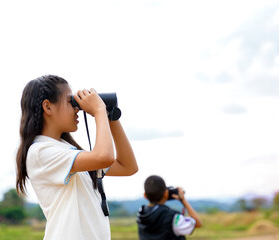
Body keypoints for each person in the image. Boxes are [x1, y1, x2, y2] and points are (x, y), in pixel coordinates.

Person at [15, 75, 138, 240]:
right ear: (48, 107)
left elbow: (128, 166)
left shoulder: (66, 150)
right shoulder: (40, 151)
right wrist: (98, 111)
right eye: (70, 101)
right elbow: (104, 156)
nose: (77, 108)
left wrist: (109, 115)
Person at [137, 175, 202, 240]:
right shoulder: (172, 217)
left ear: (145, 195)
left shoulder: (141, 213)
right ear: (166, 193)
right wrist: (183, 200)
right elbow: (197, 223)